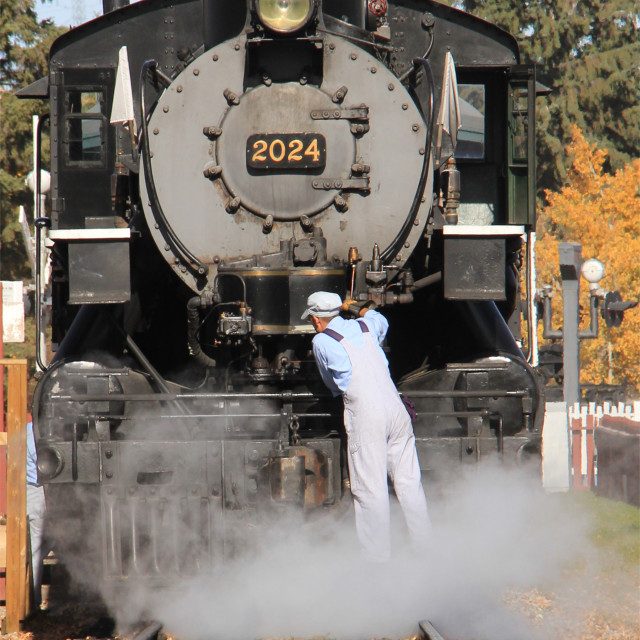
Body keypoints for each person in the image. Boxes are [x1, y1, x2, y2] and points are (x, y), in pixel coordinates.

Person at [302, 291, 431, 562]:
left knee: (370, 490)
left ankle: (376, 562)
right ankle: (425, 550)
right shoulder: (365, 325)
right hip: (396, 408)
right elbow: (379, 317)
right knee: (409, 483)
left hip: (367, 413)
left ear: (315, 320)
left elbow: (331, 383)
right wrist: (353, 307)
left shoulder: (321, 340)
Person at [26, 420, 46, 608]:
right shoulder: (36, 433)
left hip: (33, 489)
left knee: (39, 545)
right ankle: (33, 601)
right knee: (37, 547)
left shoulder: (26, 430)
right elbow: (45, 465)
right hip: (37, 489)